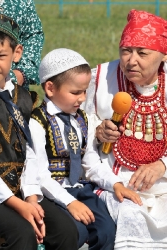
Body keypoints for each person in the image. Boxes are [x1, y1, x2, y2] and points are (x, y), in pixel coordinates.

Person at [0, 13, 78, 250]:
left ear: (16, 53)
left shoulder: (22, 98)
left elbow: (28, 154)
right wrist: (18, 205)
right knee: (22, 233)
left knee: (65, 231)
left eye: (1, 55)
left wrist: (30, 196)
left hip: (18, 191)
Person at [29, 48, 142, 250]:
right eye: (75, 92)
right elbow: (39, 175)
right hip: (52, 193)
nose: (82, 98)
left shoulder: (82, 118)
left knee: (107, 231)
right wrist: (70, 202)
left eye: (84, 91)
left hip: (80, 189)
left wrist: (115, 184)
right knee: (75, 233)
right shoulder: (37, 122)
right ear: (50, 88)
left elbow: (90, 161)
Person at [82, 9, 167, 249]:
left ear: (163, 56)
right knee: (129, 215)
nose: (131, 60)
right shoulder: (100, 78)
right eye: (126, 51)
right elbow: (80, 124)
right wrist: (98, 132)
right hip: (116, 183)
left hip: (164, 182)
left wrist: (162, 165)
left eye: (142, 53)